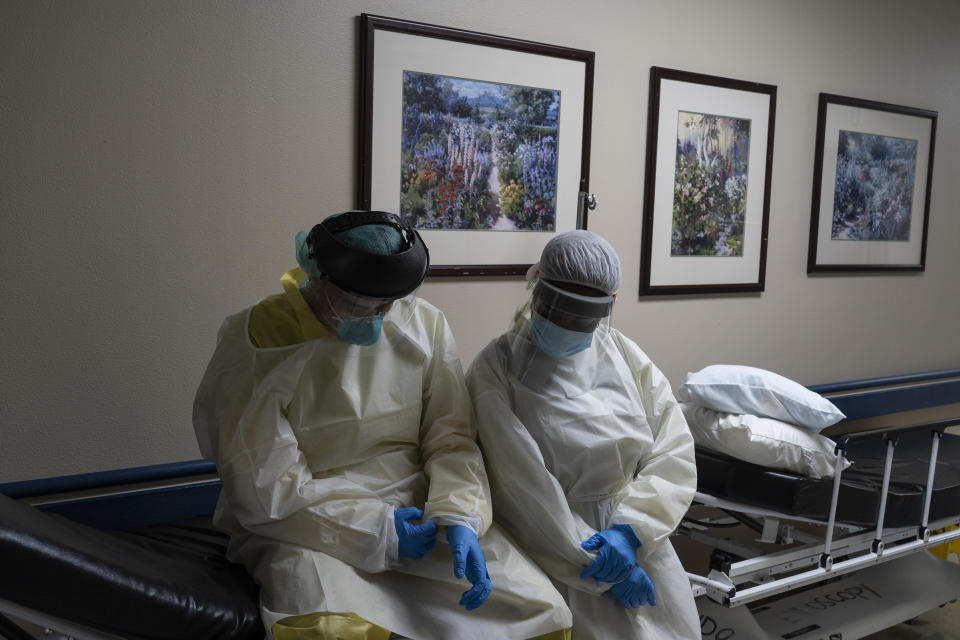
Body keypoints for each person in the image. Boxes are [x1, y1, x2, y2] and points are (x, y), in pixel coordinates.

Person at [193, 211, 572, 640]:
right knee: (330, 627)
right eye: (359, 305)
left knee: (541, 610)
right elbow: (265, 486)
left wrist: (460, 516)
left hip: (417, 510)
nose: (376, 318)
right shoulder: (262, 340)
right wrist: (378, 531)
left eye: (387, 305)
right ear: (317, 276)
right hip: (304, 525)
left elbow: (451, 439)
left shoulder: (422, 322)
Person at [465, 230, 700, 638]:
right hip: (553, 550)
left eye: (583, 317)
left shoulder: (622, 354)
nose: (570, 326)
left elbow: (673, 449)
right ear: (535, 284)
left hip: (639, 542)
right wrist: (604, 569)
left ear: (609, 307)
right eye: (560, 310)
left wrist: (631, 533)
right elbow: (525, 490)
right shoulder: (495, 368)